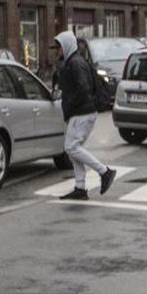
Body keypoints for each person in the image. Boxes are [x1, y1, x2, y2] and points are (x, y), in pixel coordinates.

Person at [53, 30, 117, 201]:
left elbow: (83, 88)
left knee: (71, 147)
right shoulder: (72, 62)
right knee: (74, 149)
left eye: (58, 47)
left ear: (66, 46)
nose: (56, 51)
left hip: (82, 112)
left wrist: (70, 104)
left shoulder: (75, 63)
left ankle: (105, 172)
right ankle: (80, 188)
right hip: (81, 112)